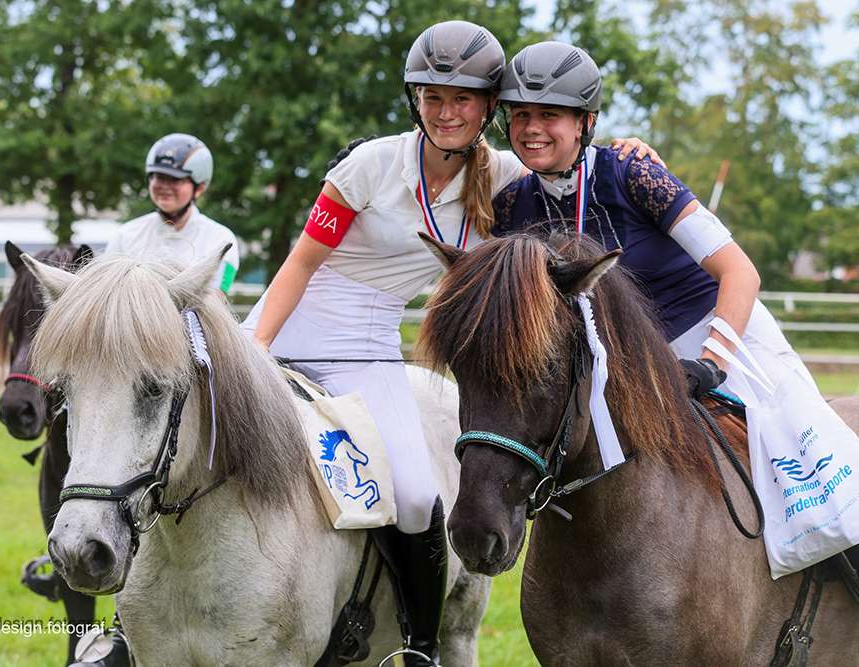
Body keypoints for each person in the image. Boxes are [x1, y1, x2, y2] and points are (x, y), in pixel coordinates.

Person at [491, 41, 859, 667]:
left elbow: (739, 271)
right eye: (520, 115)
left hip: (720, 335)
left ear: (585, 122)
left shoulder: (633, 173)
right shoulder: (511, 206)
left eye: (551, 115)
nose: (533, 129)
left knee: (825, 470)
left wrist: (712, 361)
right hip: (616, 370)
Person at [240, 21, 658, 666]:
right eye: (431, 97)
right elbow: (299, 265)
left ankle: (418, 645)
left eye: (462, 98)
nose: (446, 112)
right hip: (290, 321)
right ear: (415, 102)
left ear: (490, 106)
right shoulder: (372, 164)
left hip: (371, 342)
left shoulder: (507, 178)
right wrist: (257, 348)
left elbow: (574, 163)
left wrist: (628, 152)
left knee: (414, 496)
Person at [106, 133, 240, 293]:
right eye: (158, 177)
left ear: (199, 188)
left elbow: (216, 301)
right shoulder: (125, 235)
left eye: (176, 179)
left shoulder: (221, 240)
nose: (164, 186)